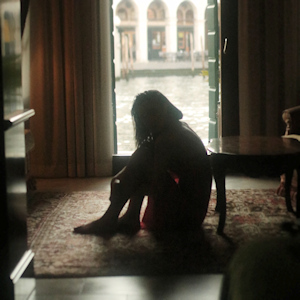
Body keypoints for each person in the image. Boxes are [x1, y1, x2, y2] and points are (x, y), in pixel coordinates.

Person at [74, 90, 212, 235]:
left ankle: (112, 218)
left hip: (187, 216)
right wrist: (121, 176)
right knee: (143, 157)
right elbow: (143, 161)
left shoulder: (167, 139)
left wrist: (128, 186)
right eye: (144, 115)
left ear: (164, 110)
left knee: (142, 165)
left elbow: (156, 184)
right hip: (193, 209)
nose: (148, 119)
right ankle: (129, 217)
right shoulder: (175, 127)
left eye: (152, 113)